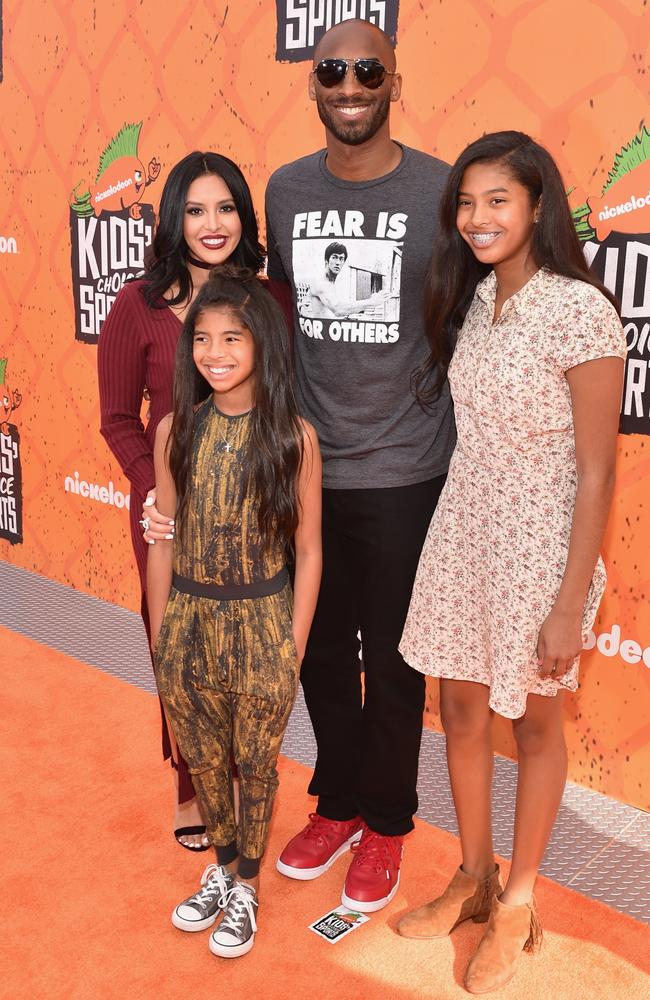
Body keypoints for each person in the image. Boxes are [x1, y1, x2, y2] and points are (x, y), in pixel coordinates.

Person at [396, 131, 625, 993]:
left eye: (498, 200)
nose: (479, 217)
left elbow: (598, 469)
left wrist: (571, 600)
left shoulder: (580, 310)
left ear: (537, 206)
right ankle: (475, 875)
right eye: (467, 202)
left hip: (540, 543)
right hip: (466, 528)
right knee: (457, 710)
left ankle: (522, 900)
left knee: (532, 725)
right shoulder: (476, 296)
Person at [265, 18, 455, 913]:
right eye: (332, 70)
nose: (349, 85)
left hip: (408, 468)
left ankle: (387, 822)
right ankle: (336, 801)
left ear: (393, 81)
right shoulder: (284, 190)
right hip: (304, 466)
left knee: (395, 660)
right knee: (320, 659)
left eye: (366, 70)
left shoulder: (442, 188)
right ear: (314, 84)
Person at [147, 265, 321, 958]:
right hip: (188, 620)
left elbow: (309, 553)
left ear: (264, 346)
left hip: (262, 625)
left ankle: (247, 886)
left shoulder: (295, 439)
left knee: (256, 764)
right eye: (203, 339)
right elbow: (161, 539)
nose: (215, 353)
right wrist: (163, 638)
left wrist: (294, 644)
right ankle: (220, 871)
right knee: (206, 763)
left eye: (233, 338)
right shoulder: (173, 431)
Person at [97, 151, 265, 850]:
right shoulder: (137, 306)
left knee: (243, 650)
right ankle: (192, 779)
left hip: (253, 514)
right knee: (178, 647)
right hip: (168, 517)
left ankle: (240, 770)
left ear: (244, 216)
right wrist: (152, 489)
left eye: (225, 207)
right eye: (195, 210)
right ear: (172, 218)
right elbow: (117, 418)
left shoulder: (267, 301)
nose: (212, 223)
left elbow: (284, 405)